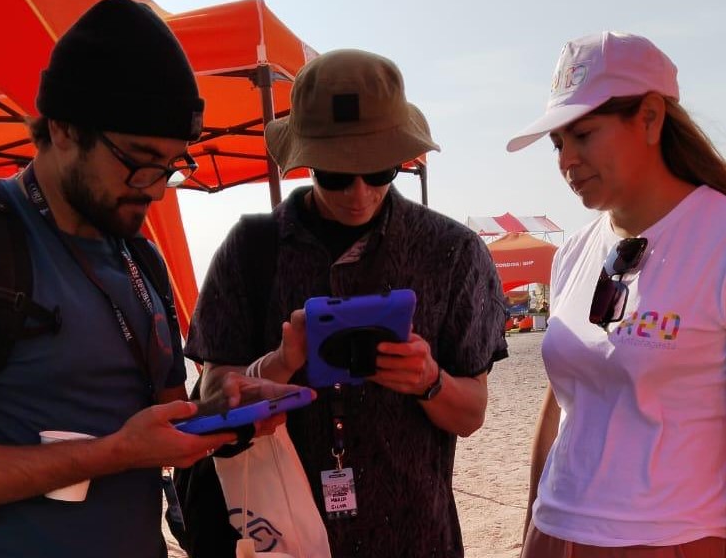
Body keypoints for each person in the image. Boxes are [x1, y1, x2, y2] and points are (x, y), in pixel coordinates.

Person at [0, 0, 293, 558]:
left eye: (171, 165)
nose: (156, 188)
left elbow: (165, 422)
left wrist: (228, 405)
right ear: (63, 128)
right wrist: (111, 453)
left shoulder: (141, 258)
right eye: (139, 160)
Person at [506, 32, 726, 558]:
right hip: (553, 535)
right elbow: (560, 409)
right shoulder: (575, 253)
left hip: (670, 539)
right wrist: (530, 533)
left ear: (650, 118)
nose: (567, 161)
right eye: (558, 144)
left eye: (583, 135)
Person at [186, 49, 509, 557]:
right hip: (283, 538)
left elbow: (470, 415)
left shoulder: (452, 252)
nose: (359, 194)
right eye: (335, 175)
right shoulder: (249, 249)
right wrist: (281, 363)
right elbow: (211, 394)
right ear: (306, 162)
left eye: (380, 171)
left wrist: (429, 381)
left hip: (415, 539)